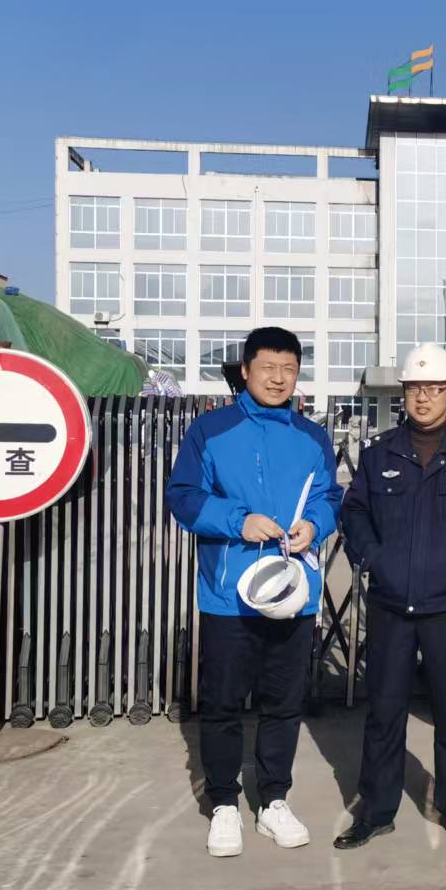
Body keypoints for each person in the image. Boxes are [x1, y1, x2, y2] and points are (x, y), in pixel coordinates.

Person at [334, 344, 446, 850]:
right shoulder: (379, 454)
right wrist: (373, 559)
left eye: (434, 388)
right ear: (404, 393)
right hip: (392, 606)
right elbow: (354, 512)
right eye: (415, 388)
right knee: (384, 713)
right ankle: (376, 811)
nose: (423, 397)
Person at [166, 326, 342, 858]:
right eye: (268, 367)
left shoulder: (312, 437)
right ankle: (223, 803)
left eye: (289, 369)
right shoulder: (211, 430)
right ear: (246, 371)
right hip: (228, 595)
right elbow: (183, 497)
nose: (278, 378)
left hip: (292, 591)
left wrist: (316, 524)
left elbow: (330, 497)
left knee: (284, 703)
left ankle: (273, 801)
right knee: (222, 703)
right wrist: (237, 521)